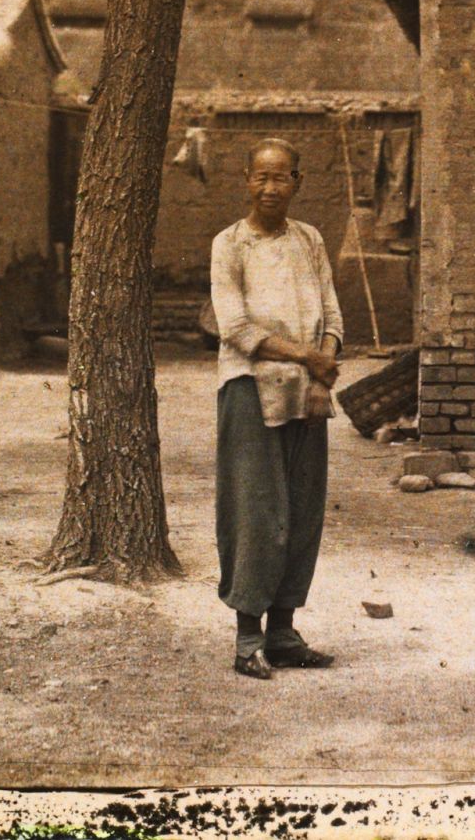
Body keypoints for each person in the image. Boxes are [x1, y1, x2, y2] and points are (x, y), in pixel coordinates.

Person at [211, 137, 345, 679]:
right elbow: (237, 329)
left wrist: (320, 374)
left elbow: (332, 317)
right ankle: (248, 639)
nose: (270, 188)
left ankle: (284, 632)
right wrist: (311, 358)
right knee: (255, 511)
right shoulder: (230, 244)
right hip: (249, 389)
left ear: (298, 182)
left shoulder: (309, 240)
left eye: (281, 177)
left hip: (308, 393)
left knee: (302, 509)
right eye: (261, 177)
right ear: (246, 180)